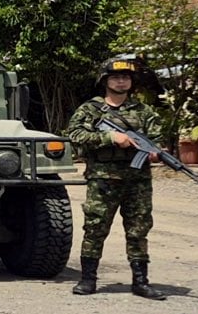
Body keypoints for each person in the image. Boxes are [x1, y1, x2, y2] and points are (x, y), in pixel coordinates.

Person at [65, 57, 170, 300]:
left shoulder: (144, 112)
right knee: (95, 228)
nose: (121, 81)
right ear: (105, 80)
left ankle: (141, 281)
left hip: (137, 181)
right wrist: (111, 138)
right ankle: (88, 279)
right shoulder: (91, 109)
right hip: (103, 179)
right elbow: (76, 135)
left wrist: (156, 152)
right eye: (116, 77)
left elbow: (156, 139)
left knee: (138, 230)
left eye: (126, 78)